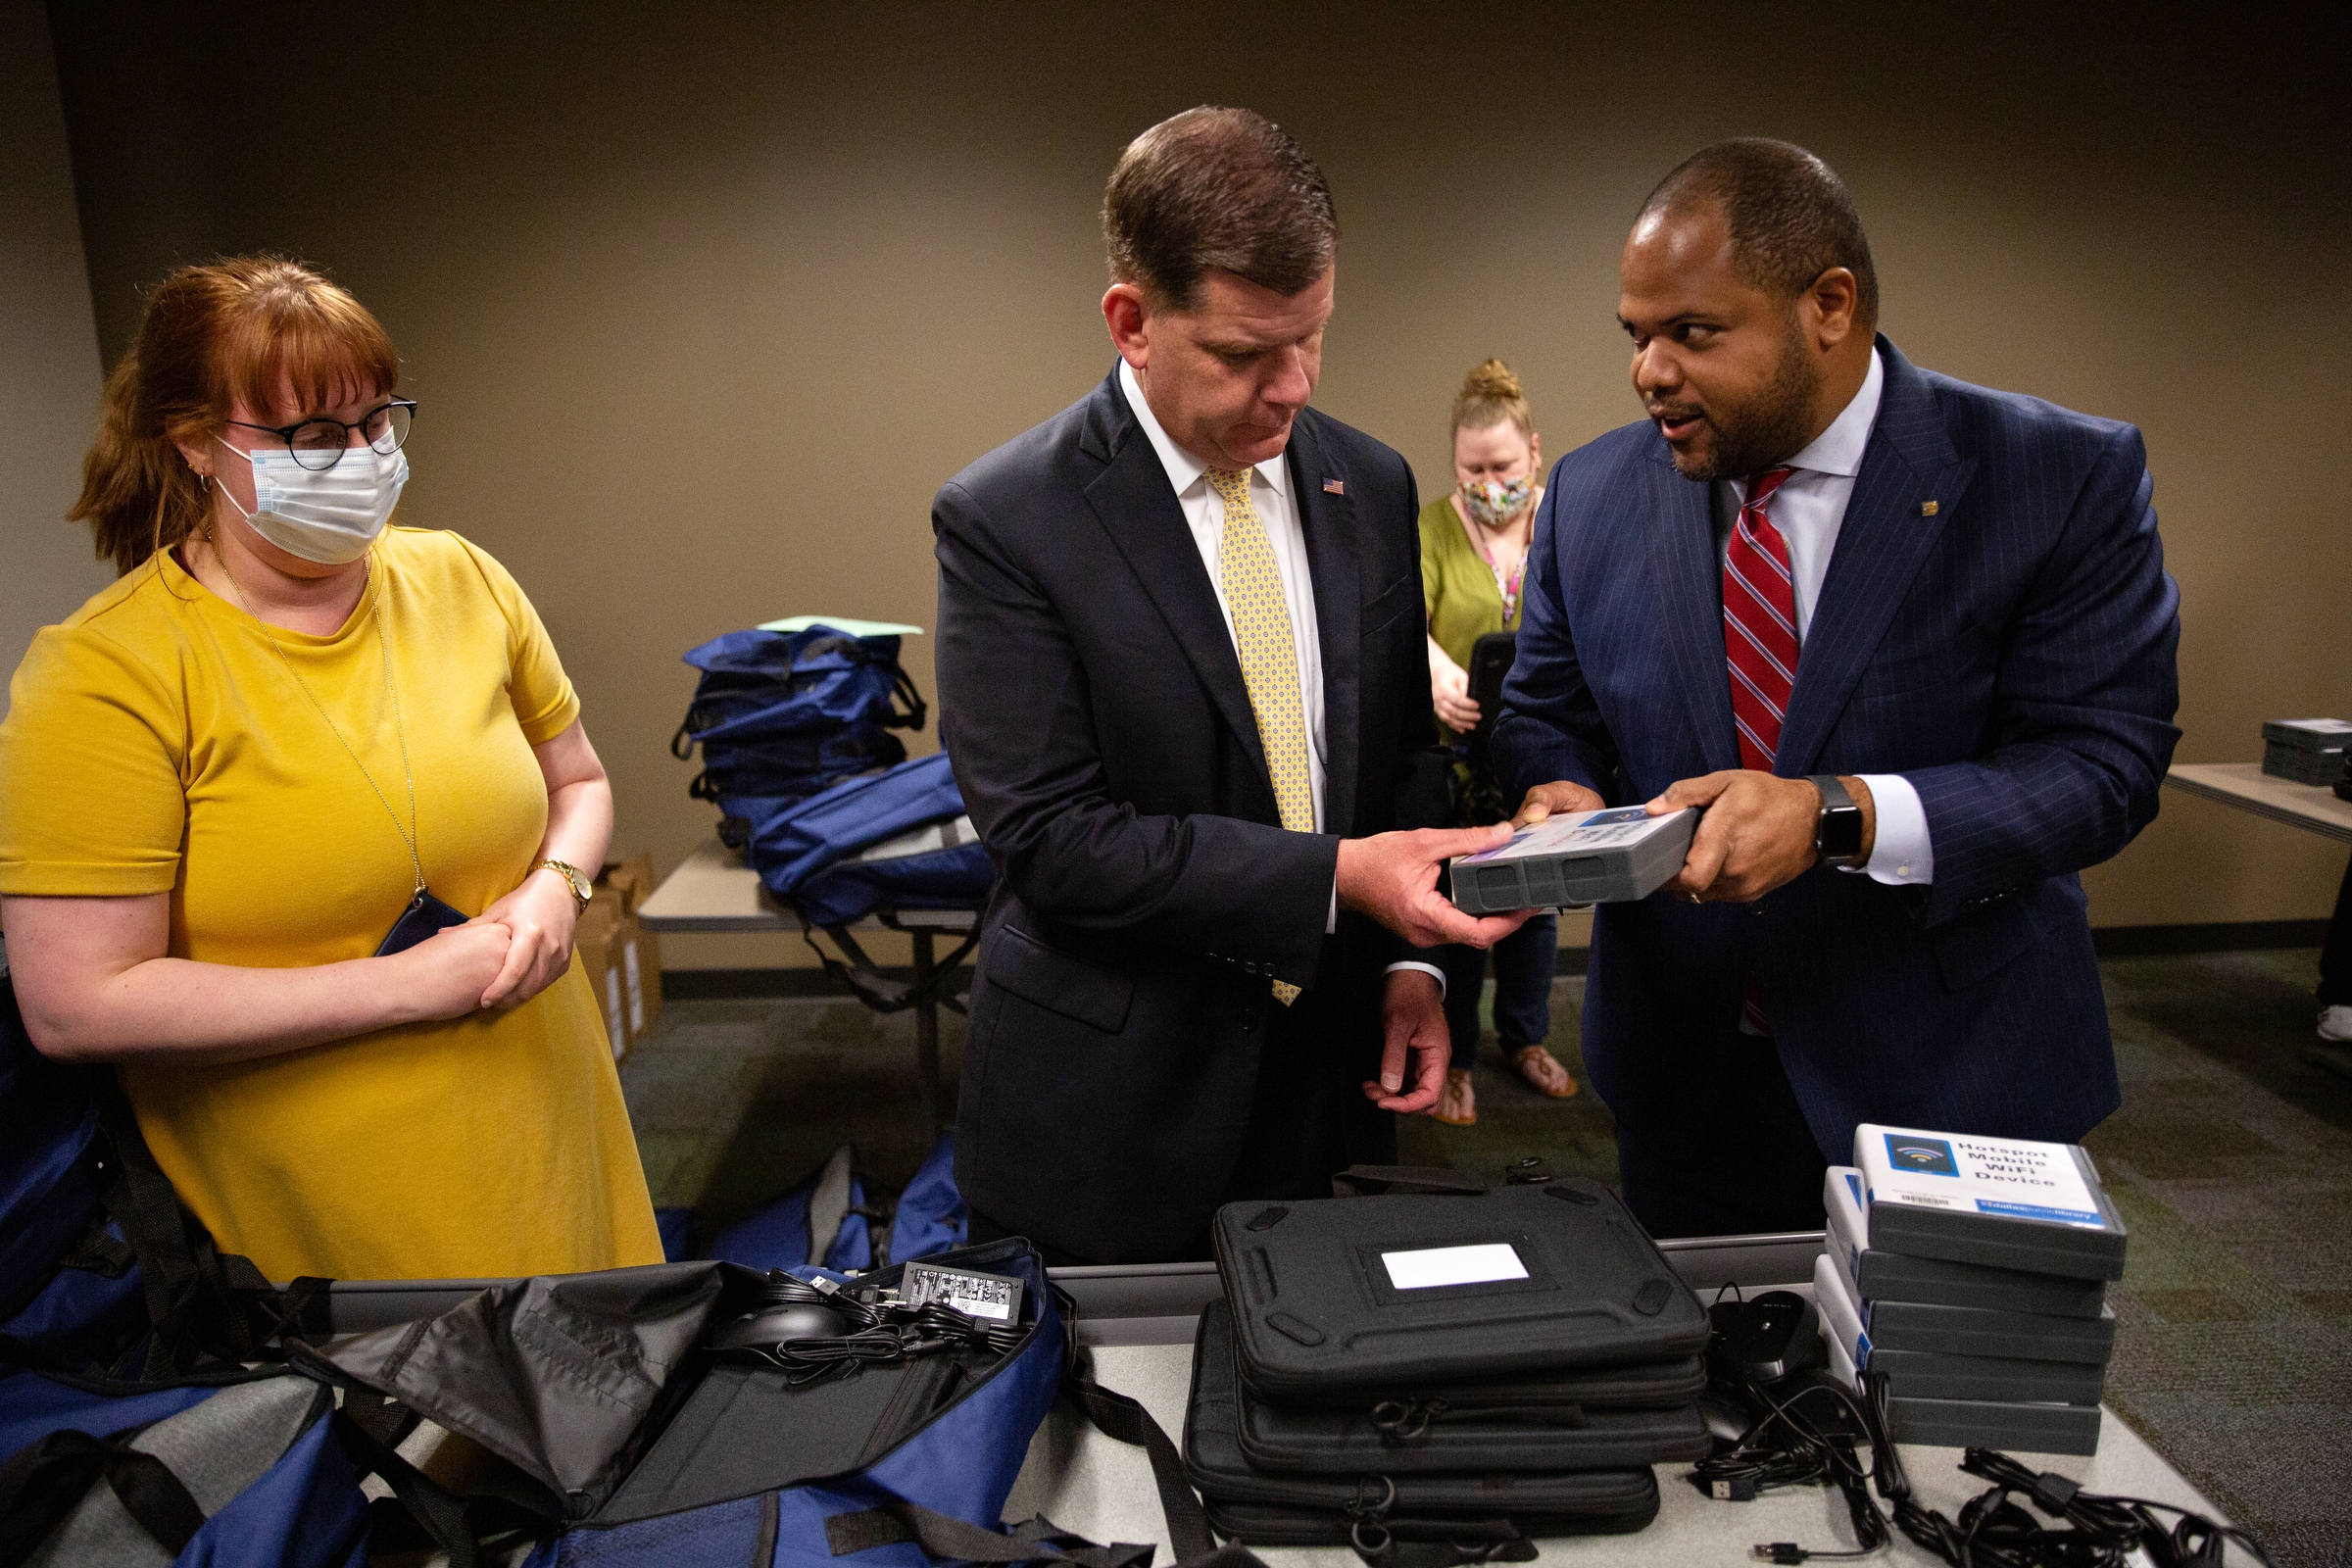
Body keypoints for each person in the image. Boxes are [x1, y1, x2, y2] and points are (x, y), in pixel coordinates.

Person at [1493, 140, 2181, 1239]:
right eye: (1637, 335)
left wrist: (1837, 815)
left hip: (1957, 1077)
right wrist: (1561, 790)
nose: (1649, 371)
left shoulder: (2055, 477)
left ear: (1829, 304)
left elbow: (2103, 768)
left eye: (1693, 333)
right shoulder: (1593, 490)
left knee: (1952, 1406)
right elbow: (1544, 710)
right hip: (1689, 1078)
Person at [934, 107, 1530, 1264]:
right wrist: (1338, 878)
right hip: (1117, 1100)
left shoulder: (1367, 479)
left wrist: (1411, 960)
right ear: (1132, 322)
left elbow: (1402, 754)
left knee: (1325, 1387)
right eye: (1247, 353)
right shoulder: (1011, 519)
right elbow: (1053, 840)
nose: (1293, 385)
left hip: (1333, 1076)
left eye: (1314, 338)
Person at [0, 257, 662, 1281]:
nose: (361, 456)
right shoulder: (108, 673)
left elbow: (580, 784)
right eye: (314, 436)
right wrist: (398, 986)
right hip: (333, 1219)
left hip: (545, 1132)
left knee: (612, 1399)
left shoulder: (461, 577)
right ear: (195, 445)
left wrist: (558, 888)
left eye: (375, 421)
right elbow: (76, 1002)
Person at [1418, 359, 1574, 1125]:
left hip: (1538, 752)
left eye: (1503, 466)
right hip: (1459, 759)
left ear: (1534, 452)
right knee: (1464, 913)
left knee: (1537, 913)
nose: (1489, 481)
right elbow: (1401, 618)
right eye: (1471, 468)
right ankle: (1457, 1060)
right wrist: (1438, 669)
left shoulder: (1563, 524)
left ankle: (1526, 1039)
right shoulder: (1436, 528)